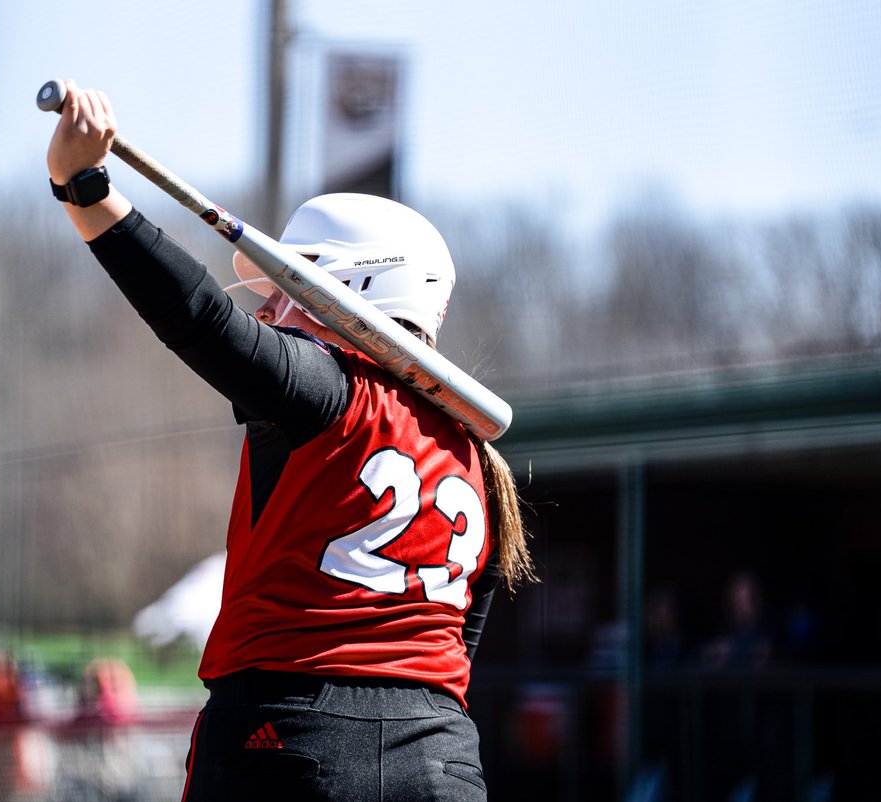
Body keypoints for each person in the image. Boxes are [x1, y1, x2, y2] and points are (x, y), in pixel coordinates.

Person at [45, 80, 535, 801]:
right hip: (442, 762)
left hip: (290, 745)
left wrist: (86, 191)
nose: (269, 310)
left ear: (356, 295)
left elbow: (202, 319)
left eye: (286, 291)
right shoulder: (482, 462)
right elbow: (453, 655)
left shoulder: (326, 391)